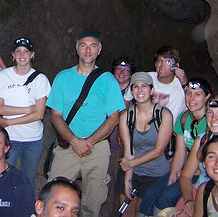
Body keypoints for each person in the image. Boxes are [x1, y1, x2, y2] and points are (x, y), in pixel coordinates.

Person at [46, 31, 125, 217]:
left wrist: (89, 141)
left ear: (99, 50)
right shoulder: (63, 78)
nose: (88, 50)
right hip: (67, 145)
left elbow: (114, 117)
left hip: (96, 148)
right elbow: (55, 116)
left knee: (93, 199)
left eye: (92, 46)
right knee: (55, 193)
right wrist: (74, 140)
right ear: (77, 49)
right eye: (83, 45)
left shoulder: (107, 80)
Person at [0, 37, 51, 188]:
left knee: (27, 180)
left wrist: (9, 121)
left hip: (32, 139)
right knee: (3, 179)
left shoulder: (40, 79)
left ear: (32, 54)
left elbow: (39, 114)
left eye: (26, 51)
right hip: (9, 139)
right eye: (18, 51)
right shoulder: (3, 76)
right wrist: (27, 109)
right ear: (13, 55)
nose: (22, 55)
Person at [146, 78, 211, 215]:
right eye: (188, 93)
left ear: (207, 97)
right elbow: (180, 153)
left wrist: (187, 173)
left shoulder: (212, 122)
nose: (191, 98)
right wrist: (171, 180)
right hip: (187, 170)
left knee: (165, 199)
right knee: (150, 195)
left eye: (197, 94)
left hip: (204, 174)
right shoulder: (184, 118)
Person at [115, 72, 174, 216]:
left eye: (144, 86)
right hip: (133, 170)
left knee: (141, 213)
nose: (140, 90)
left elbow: (159, 150)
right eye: (135, 87)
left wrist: (131, 163)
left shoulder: (164, 115)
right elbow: (129, 150)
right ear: (131, 91)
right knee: (126, 212)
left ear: (152, 90)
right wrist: (128, 180)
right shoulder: (126, 116)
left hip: (155, 173)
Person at [108, 56, 135, 215]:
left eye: (126, 70)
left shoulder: (137, 92)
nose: (122, 72)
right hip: (108, 144)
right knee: (107, 182)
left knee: (122, 184)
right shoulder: (106, 89)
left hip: (127, 147)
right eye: (119, 69)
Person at [148, 46, 187, 124]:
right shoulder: (146, 78)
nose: (162, 65)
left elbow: (195, 102)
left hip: (168, 130)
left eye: (167, 62)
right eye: (159, 61)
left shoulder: (180, 85)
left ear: (176, 66)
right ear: (155, 64)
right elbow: (127, 98)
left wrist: (185, 84)